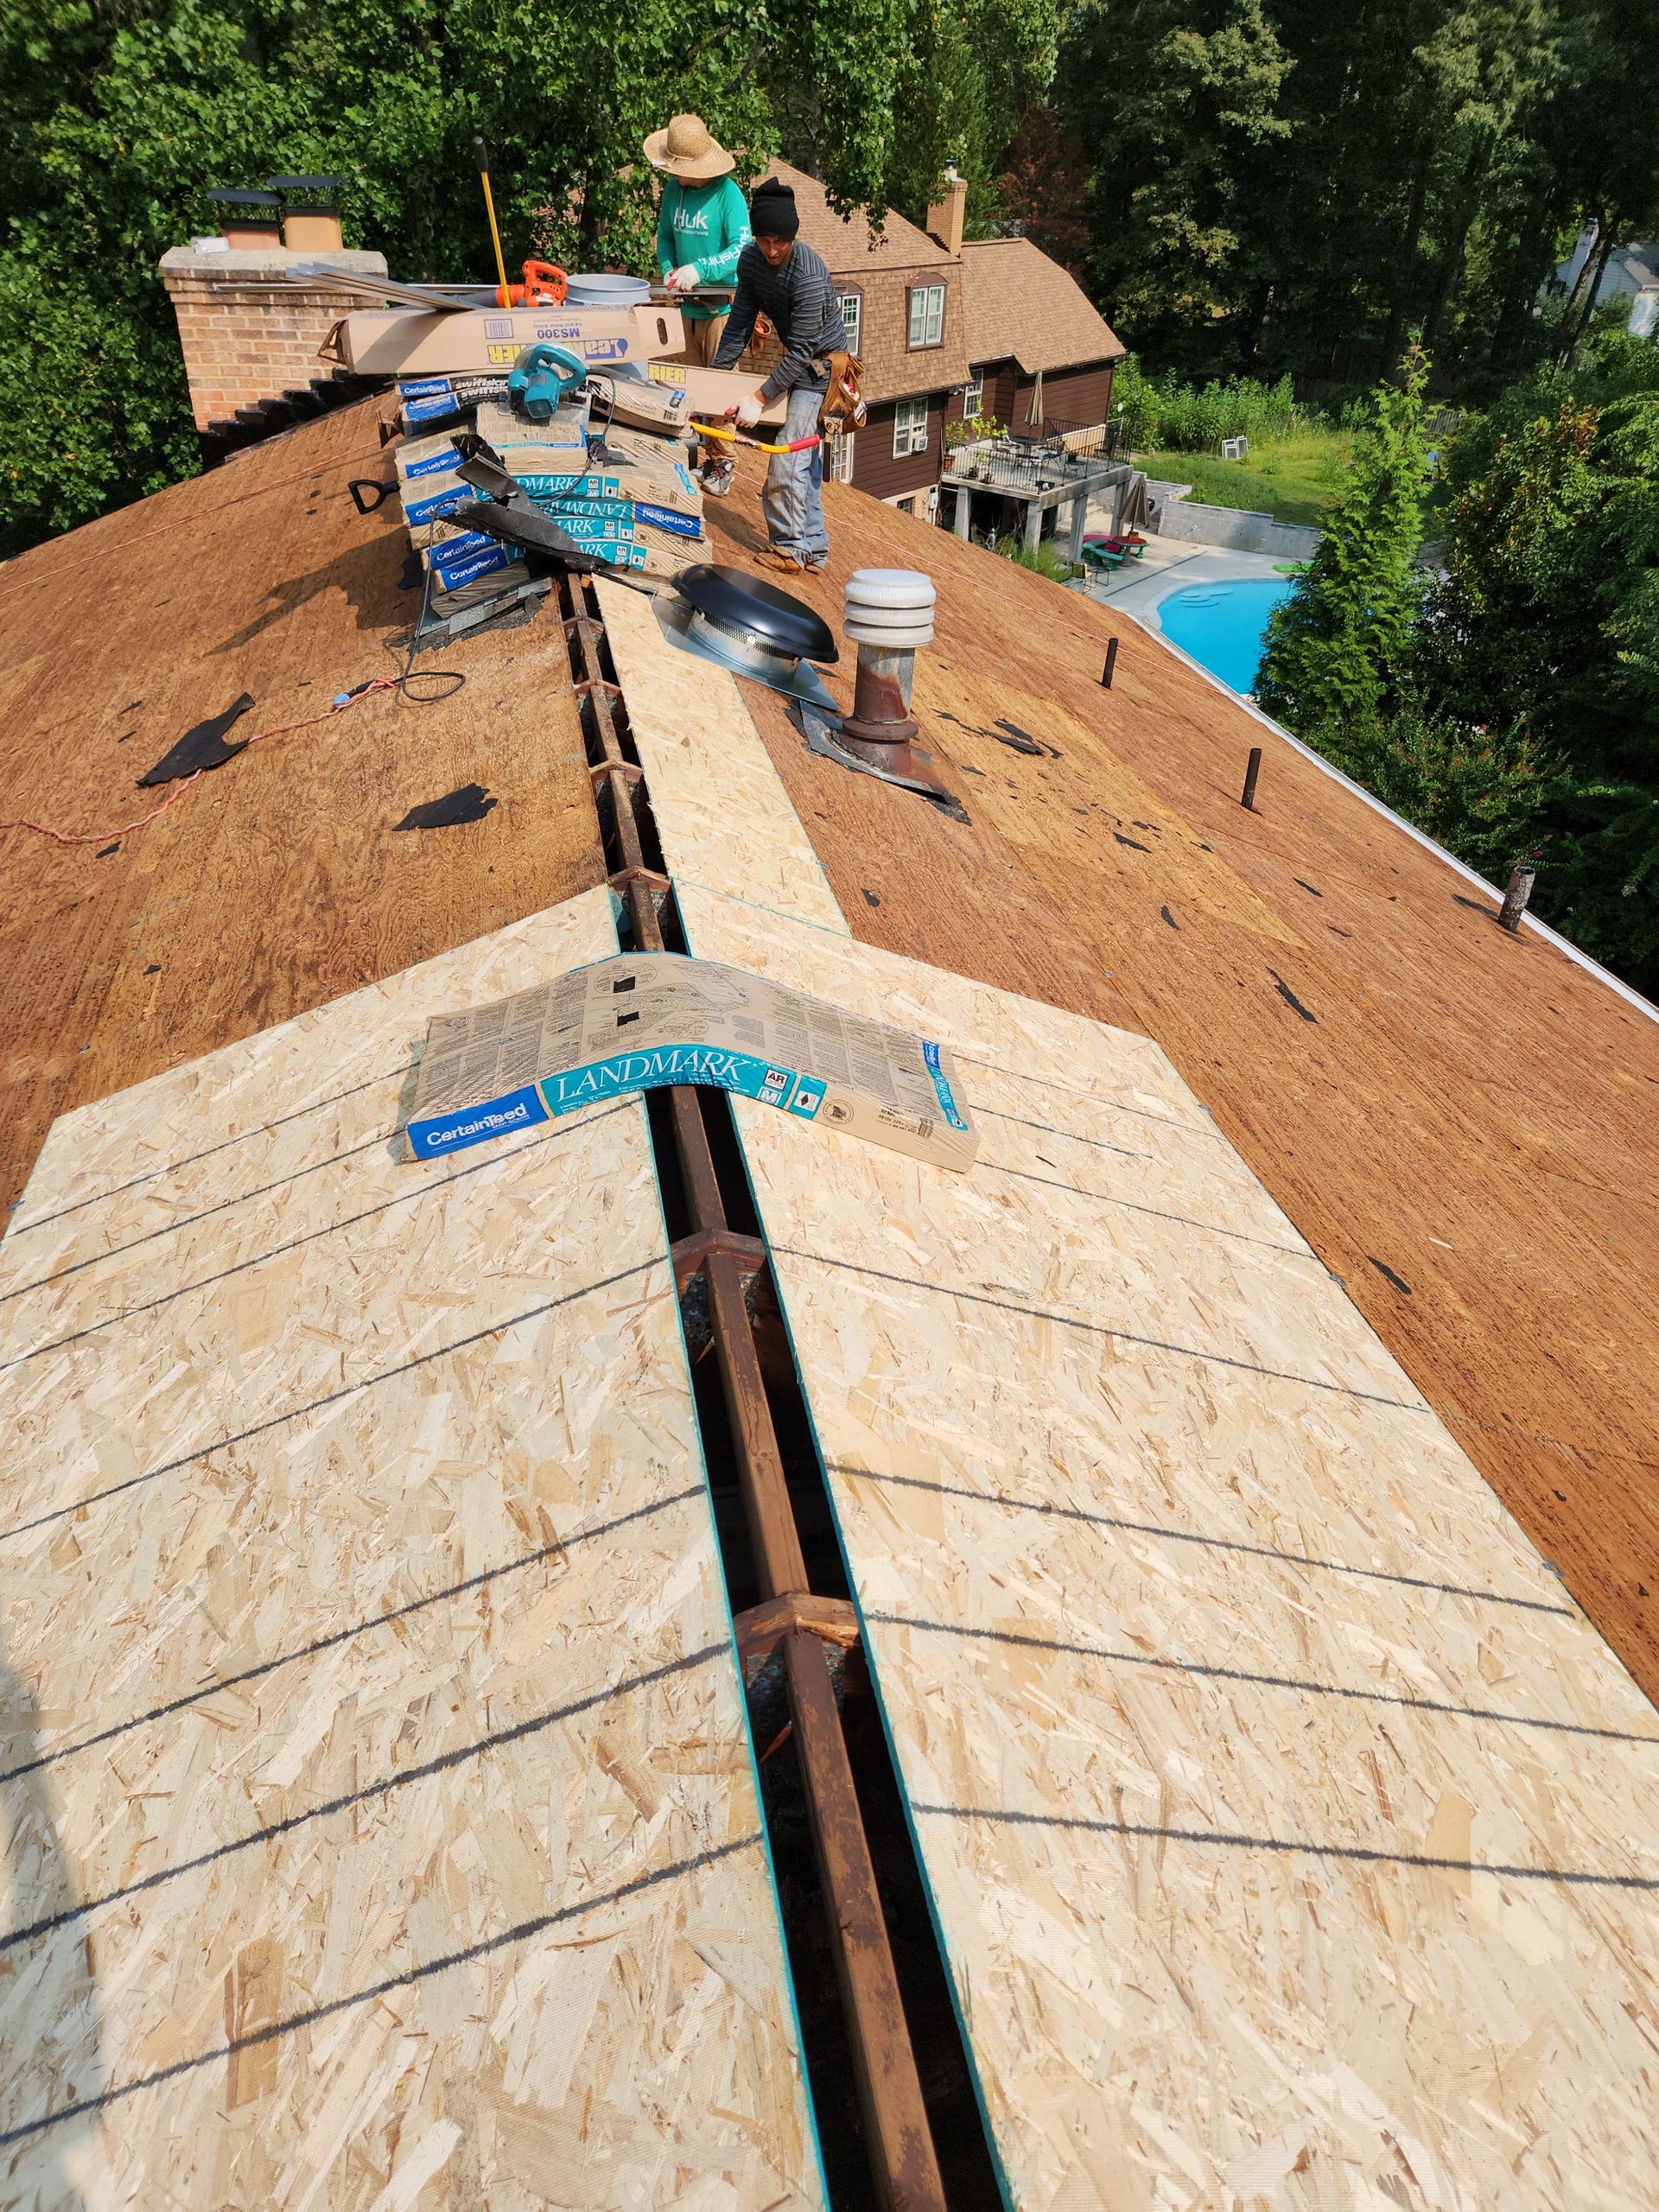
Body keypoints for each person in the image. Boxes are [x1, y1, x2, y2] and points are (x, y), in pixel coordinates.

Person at [713, 177, 847, 574]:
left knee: (788, 456)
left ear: (793, 237)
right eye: (764, 239)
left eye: (780, 242)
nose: (771, 250)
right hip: (799, 361)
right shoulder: (751, 261)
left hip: (822, 368)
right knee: (804, 460)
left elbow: (803, 352)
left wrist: (758, 398)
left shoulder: (806, 274)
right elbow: (739, 322)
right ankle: (815, 549)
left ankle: (789, 549)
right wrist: (715, 379)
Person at [644, 113, 750, 495]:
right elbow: (666, 237)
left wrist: (701, 268)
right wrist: (671, 269)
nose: (672, 175)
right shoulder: (674, 190)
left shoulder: (728, 195)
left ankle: (722, 464)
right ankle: (691, 455)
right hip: (686, 307)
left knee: (721, 391)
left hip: (723, 308)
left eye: (677, 169)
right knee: (687, 389)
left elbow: (742, 251)